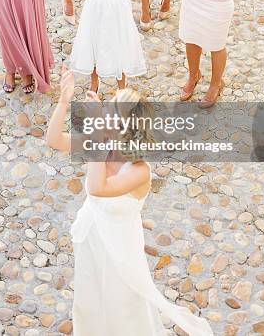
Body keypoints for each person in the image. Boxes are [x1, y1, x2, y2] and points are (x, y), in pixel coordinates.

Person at [46, 67, 214, 336]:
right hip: (92, 239)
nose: (106, 115)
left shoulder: (139, 170)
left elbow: (97, 187)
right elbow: (53, 140)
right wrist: (64, 101)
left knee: (124, 310)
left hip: (121, 252)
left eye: (112, 113)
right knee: (91, 303)